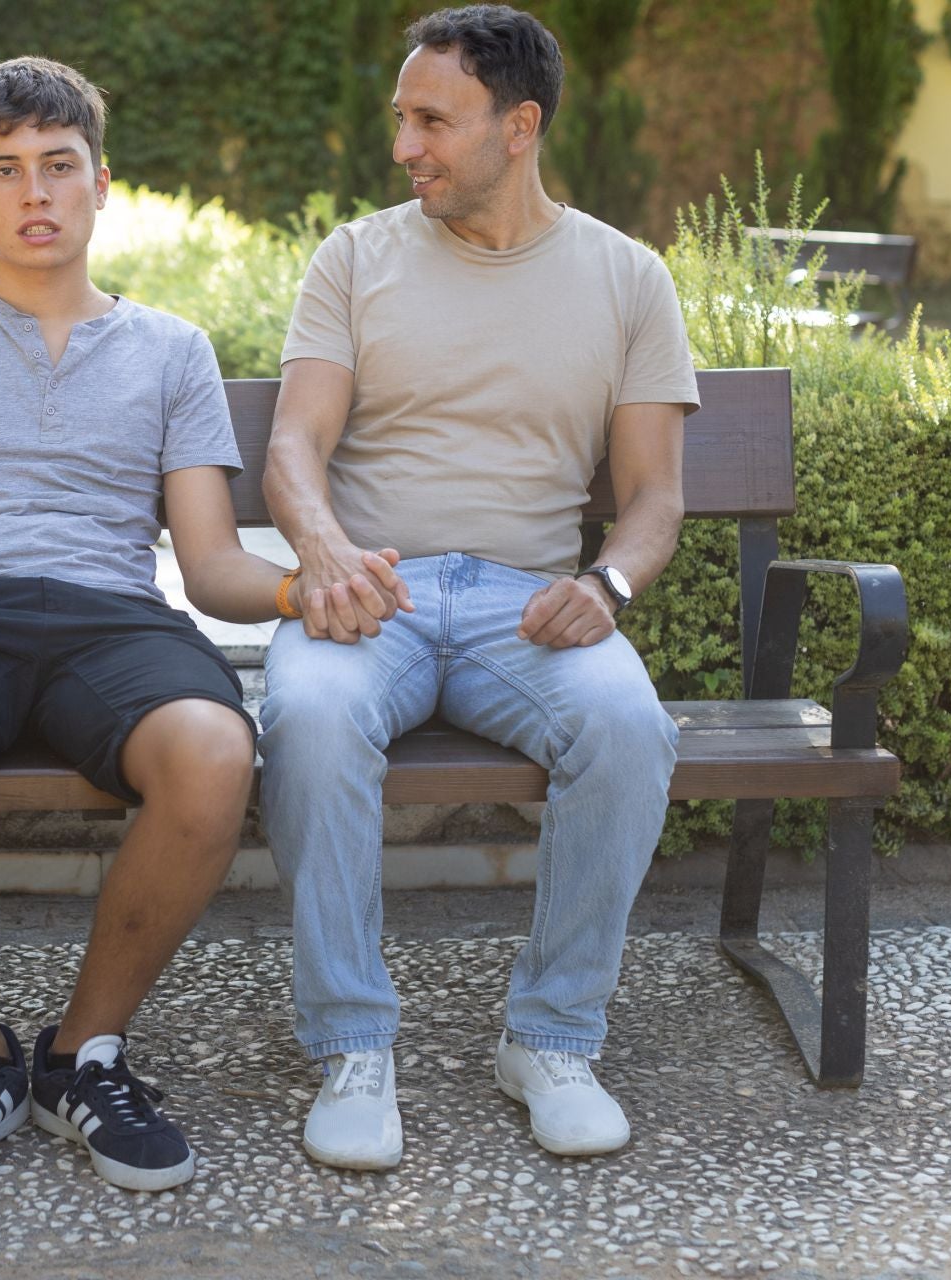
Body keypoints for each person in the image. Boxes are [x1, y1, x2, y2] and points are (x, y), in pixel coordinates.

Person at [0, 56, 403, 1204]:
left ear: (102, 184)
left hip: (114, 621)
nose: (35, 193)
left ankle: (84, 1052)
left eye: (59, 167)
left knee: (217, 749)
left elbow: (211, 562)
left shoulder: (170, 349)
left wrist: (302, 587)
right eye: (6, 170)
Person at [259, 3, 700, 1167]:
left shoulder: (627, 276)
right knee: (304, 713)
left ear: (520, 124)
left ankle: (550, 1038)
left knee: (625, 726)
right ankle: (355, 1045)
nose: (405, 146)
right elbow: (295, 447)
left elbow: (654, 496)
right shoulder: (355, 256)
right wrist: (325, 551)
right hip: (378, 588)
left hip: (531, 600)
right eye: (401, 119)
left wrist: (605, 584)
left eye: (431, 121)